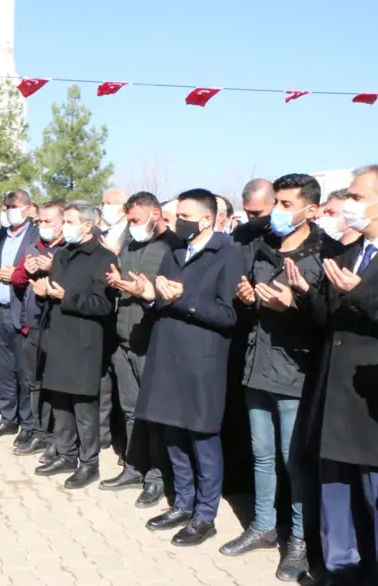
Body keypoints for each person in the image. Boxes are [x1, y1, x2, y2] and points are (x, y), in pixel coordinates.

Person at [220, 174, 331, 581]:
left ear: (310, 210)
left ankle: (299, 541)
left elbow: (325, 319)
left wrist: (294, 304)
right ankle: (264, 526)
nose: (278, 212)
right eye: (277, 204)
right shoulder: (264, 247)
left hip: (293, 371)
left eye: (286, 204)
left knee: (293, 460)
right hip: (257, 365)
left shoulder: (321, 253)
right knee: (262, 455)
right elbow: (251, 300)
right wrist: (248, 297)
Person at [135, 188, 245, 546]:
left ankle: (205, 515)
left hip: (202, 362)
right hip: (167, 355)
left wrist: (183, 300)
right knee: (172, 434)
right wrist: (152, 297)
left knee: (202, 439)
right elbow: (165, 300)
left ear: (206, 219)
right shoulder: (176, 250)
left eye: (183, 216)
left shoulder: (228, 253)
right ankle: (183, 503)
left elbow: (228, 315)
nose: (176, 222)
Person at [290, 165, 378, 586]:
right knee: (334, 489)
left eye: (358, 198)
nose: (348, 205)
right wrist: (307, 296)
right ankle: (337, 570)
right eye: (348, 197)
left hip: (369, 400)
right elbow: (327, 318)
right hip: (332, 392)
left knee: (373, 497)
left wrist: (358, 293)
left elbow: (363, 301)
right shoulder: (347, 252)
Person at [99, 192, 179, 508]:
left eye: (135, 219)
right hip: (124, 342)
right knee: (130, 411)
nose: (131, 225)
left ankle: (157, 478)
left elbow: (175, 297)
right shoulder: (130, 245)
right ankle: (134, 467)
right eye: (128, 219)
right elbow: (121, 283)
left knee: (155, 415)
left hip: (154, 344)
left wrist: (146, 294)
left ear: (155, 213)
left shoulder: (173, 248)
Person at [33, 201, 116, 489]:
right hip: (58, 337)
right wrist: (43, 293)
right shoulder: (62, 254)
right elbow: (54, 292)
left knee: (83, 407)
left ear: (87, 225)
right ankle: (65, 453)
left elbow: (103, 305)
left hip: (84, 341)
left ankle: (88, 463)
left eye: (68, 222)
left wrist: (65, 297)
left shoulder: (104, 258)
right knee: (60, 403)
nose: (63, 227)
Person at [10, 201, 65, 459]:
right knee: (34, 383)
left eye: (47, 222)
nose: (41, 226)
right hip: (32, 323)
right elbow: (18, 280)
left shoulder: (68, 251)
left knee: (56, 385)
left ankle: (57, 438)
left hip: (58, 327)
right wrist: (26, 272)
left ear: (63, 223)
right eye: (40, 221)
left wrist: (53, 268)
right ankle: (39, 432)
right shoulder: (33, 247)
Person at [0, 190, 40, 446]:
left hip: (21, 310)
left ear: (28, 209)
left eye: (13, 206)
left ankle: (28, 424)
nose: (8, 210)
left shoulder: (36, 237)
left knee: (23, 371)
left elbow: (40, 271)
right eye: (5, 206)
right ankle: (8, 418)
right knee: (2, 369)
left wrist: (17, 276)